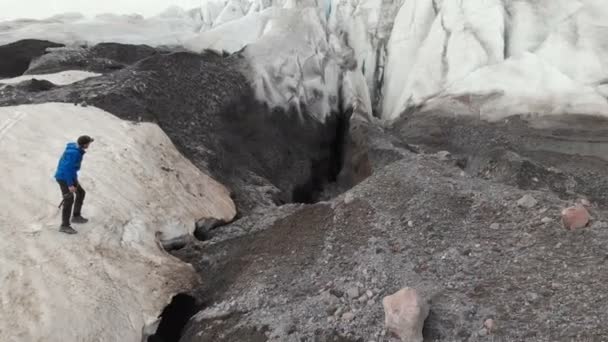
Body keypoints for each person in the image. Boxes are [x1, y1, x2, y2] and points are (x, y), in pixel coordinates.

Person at [54, 135, 94, 234]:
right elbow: (67, 169)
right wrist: (70, 184)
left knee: (81, 193)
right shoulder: (74, 153)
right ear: (84, 144)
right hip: (63, 178)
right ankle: (64, 226)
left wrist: (73, 179)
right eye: (89, 143)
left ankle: (76, 216)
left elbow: (71, 168)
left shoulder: (76, 148)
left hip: (70, 176)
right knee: (69, 199)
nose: (89, 144)